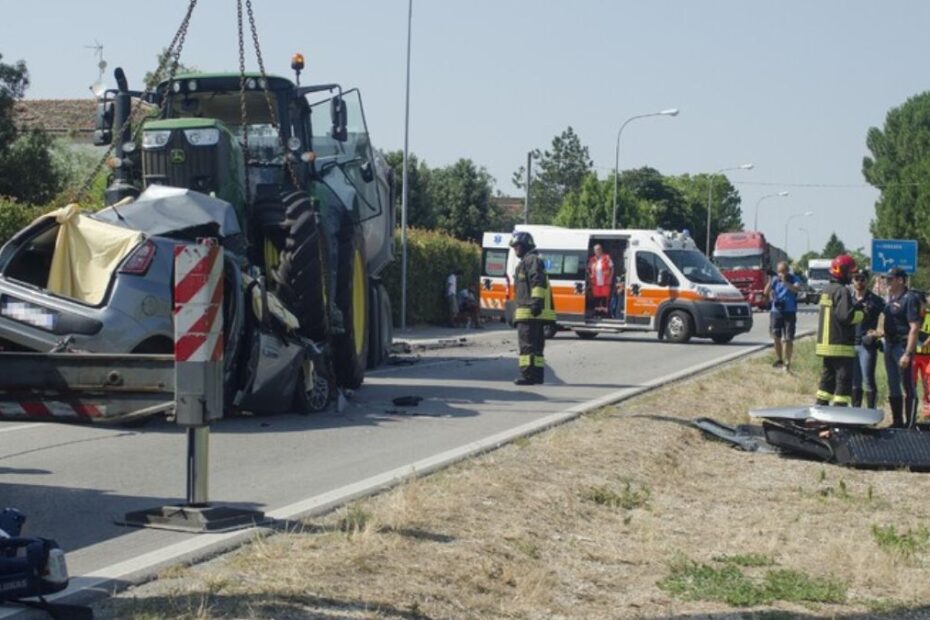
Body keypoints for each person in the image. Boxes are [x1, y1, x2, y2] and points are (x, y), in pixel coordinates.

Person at [814, 254, 864, 407]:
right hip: (840, 345)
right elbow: (845, 317)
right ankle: (839, 416)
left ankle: (820, 408)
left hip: (826, 345)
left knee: (827, 381)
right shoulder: (842, 291)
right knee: (843, 381)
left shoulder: (827, 290)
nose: (852, 276)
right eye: (850, 272)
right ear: (842, 272)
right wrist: (861, 314)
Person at [510, 231, 555, 385]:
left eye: (517, 246)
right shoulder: (527, 261)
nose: (515, 249)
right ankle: (537, 375)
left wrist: (536, 302)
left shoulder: (531, 261)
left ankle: (528, 376)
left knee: (527, 346)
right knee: (536, 348)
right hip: (528, 312)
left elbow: (538, 282)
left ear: (525, 245)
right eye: (514, 247)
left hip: (529, 312)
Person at [880, 267, 923, 427]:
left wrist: (907, 353)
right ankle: (897, 421)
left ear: (900, 280)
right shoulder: (890, 298)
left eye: (890, 279)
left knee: (908, 385)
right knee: (893, 384)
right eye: (886, 279)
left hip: (902, 345)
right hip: (889, 344)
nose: (887, 282)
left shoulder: (909, 298)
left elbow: (914, 328)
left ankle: (910, 424)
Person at [851, 270, 885, 408]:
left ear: (867, 281)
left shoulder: (875, 300)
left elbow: (888, 315)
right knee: (854, 381)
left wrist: (880, 331)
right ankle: (855, 412)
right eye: (857, 279)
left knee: (868, 380)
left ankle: (871, 412)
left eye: (862, 279)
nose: (860, 281)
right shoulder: (848, 298)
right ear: (852, 281)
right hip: (851, 343)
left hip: (867, 344)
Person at [763, 261, 801, 371]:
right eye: (779, 272)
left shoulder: (793, 278)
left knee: (788, 338)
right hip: (776, 311)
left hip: (789, 311)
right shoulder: (775, 280)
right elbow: (765, 292)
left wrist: (785, 282)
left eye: (783, 271)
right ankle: (779, 359)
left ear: (787, 271)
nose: (781, 274)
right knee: (776, 336)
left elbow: (797, 289)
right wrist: (771, 281)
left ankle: (787, 362)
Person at [587, 244, 614, 316]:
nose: (597, 251)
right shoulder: (592, 259)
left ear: (601, 250)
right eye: (596, 249)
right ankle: (597, 313)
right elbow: (588, 269)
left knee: (604, 298)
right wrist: (590, 276)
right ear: (594, 251)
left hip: (605, 282)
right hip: (595, 283)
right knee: (597, 298)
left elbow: (612, 269)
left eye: (599, 249)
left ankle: (605, 314)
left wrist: (610, 278)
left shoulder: (607, 257)